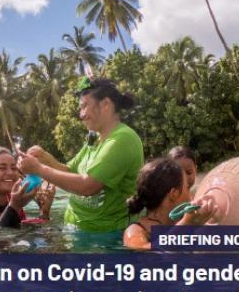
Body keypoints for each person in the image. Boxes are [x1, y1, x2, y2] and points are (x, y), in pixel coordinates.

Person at [17, 77, 144, 233]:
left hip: (104, 238)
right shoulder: (95, 138)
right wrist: (45, 158)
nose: (81, 114)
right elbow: (71, 172)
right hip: (76, 231)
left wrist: (39, 169)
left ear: (105, 104)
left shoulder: (122, 139)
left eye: (84, 106)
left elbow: (88, 186)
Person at [123, 157, 217, 250]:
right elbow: (146, 252)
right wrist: (187, 224)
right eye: (187, 188)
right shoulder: (135, 231)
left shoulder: (175, 226)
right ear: (174, 194)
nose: (191, 196)